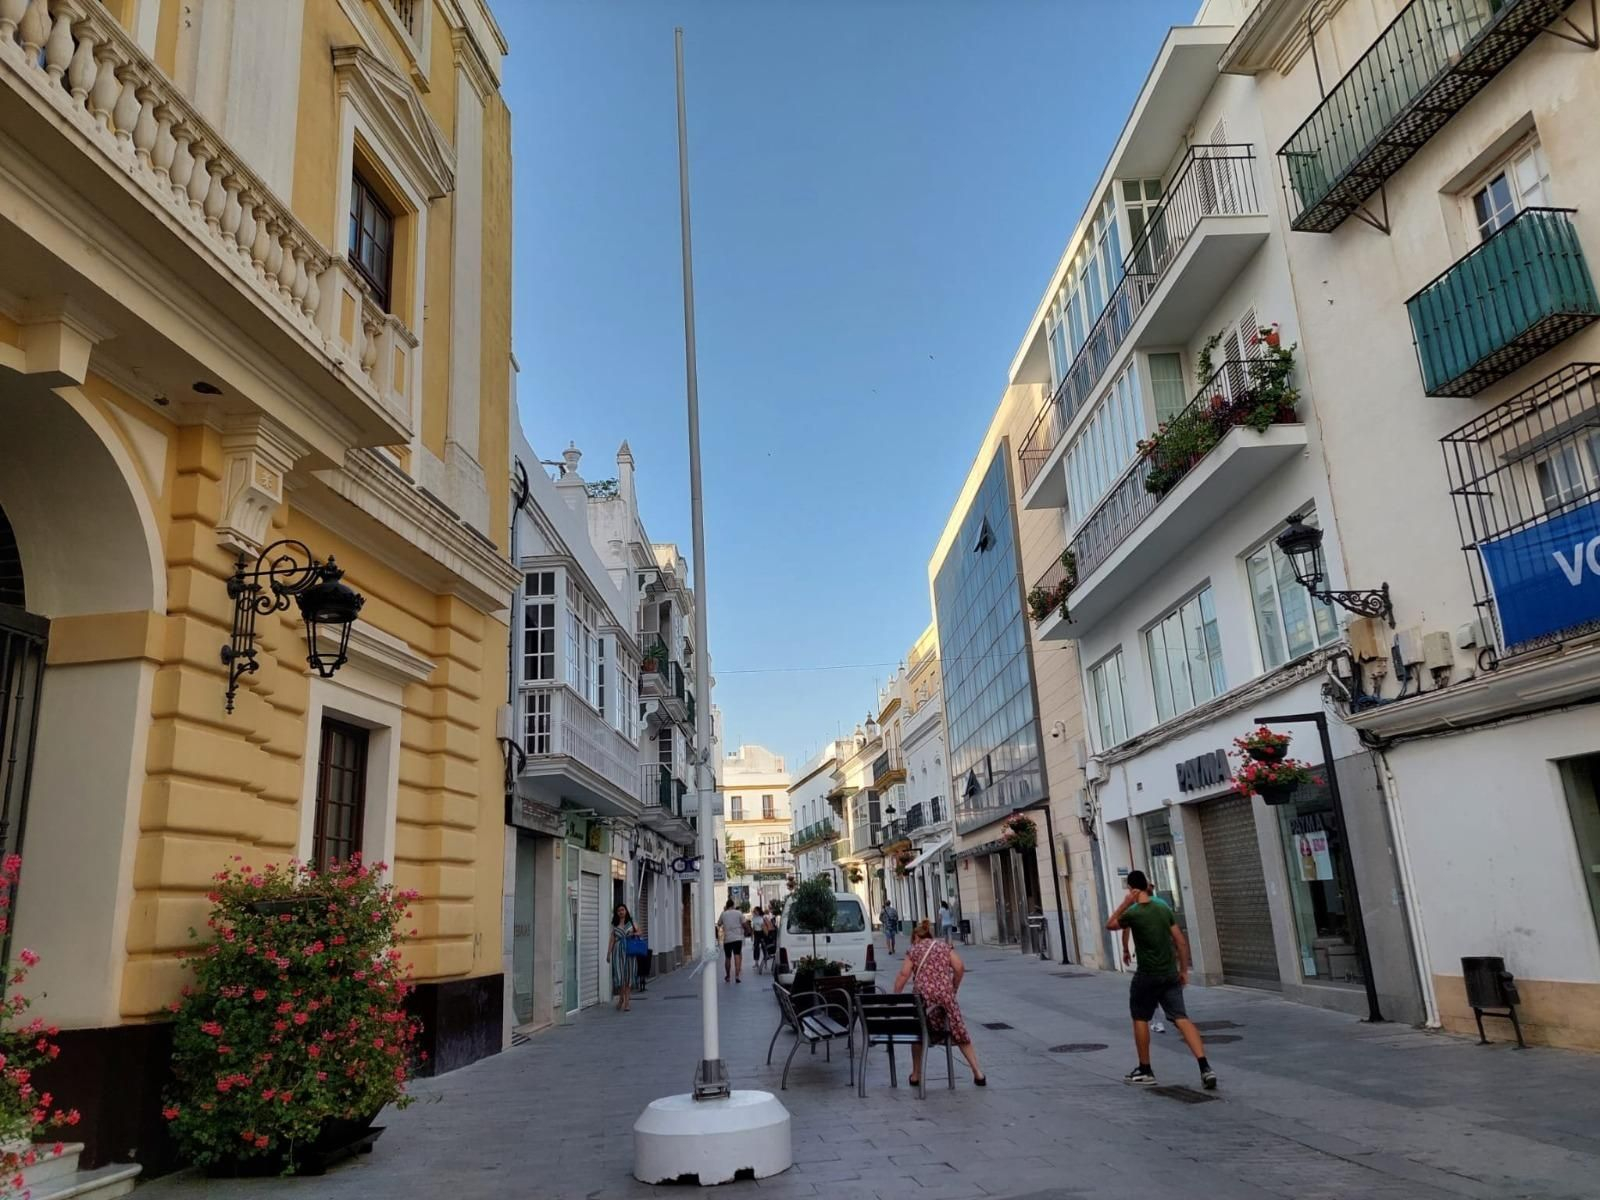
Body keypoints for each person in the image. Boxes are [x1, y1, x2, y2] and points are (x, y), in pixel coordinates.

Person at [1106, 870, 1216, 1090]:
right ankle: (1205, 1067)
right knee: (1181, 1018)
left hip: (1147, 975)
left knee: (1140, 1017)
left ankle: (1145, 1069)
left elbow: (1111, 924)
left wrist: (1126, 903)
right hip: (1170, 973)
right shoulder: (1163, 907)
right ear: (1148, 885)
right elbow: (1181, 942)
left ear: (1131, 889)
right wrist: (1183, 970)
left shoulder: (1133, 913)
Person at [893, 920, 985, 1087]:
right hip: (945, 997)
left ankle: (915, 1074)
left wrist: (895, 997)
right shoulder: (944, 947)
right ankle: (977, 1072)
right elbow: (959, 967)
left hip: (924, 999)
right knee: (959, 1030)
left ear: (917, 938)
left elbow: (903, 975)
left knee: (918, 1032)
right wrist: (953, 988)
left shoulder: (914, 950)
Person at [1120, 890, 1174, 1034]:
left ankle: (1158, 1022)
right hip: (1166, 959)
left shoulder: (1134, 911)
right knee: (1168, 991)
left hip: (1148, 963)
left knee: (1149, 993)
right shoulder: (1161, 906)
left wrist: (1125, 950)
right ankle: (1178, 1021)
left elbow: (1124, 930)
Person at [606, 903, 638, 1013]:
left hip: (629, 952)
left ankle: (627, 1003)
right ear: (617, 913)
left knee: (628, 977)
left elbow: (639, 932)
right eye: (619, 910)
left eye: (623, 910)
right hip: (618, 953)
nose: (621, 912)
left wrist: (633, 934)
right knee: (620, 977)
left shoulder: (631, 922)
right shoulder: (615, 925)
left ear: (626, 911)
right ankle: (621, 998)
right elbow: (612, 940)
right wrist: (608, 954)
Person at [719, 897, 746, 983]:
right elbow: (744, 923)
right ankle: (737, 976)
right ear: (733, 905)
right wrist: (748, 931)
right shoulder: (738, 913)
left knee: (728, 957)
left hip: (727, 939)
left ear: (727, 906)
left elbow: (719, 923)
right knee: (737, 956)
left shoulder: (723, 914)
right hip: (737, 938)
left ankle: (728, 976)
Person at [748, 904, 767, 971]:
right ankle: (756, 962)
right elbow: (753, 928)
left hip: (761, 933)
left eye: (756, 911)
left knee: (764, 947)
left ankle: (765, 961)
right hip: (756, 933)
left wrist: (766, 935)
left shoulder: (761, 918)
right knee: (756, 947)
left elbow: (763, 927)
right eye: (754, 911)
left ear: (759, 911)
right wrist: (752, 935)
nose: (754, 912)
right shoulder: (753, 918)